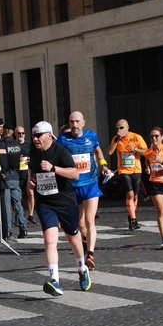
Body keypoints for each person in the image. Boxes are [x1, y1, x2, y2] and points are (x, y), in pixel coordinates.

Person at [27, 121, 91, 295]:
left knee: (73, 238)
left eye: (38, 135)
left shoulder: (60, 151)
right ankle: (55, 280)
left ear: (49, 135)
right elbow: (31, 172)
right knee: (49, 239)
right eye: (33, 135)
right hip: (45, 202)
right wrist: (31, 182)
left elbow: (75, 173)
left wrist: (53, 168)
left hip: (65, 201)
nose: (35, 139)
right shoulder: (33, 153)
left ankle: (82, 268)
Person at [56, 111, 110, 271]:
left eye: (77, 121)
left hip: (91, 184)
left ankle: (91, 255)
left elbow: (98, 151)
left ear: (83, 122)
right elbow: (56, 155)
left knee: (89, 220)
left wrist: (104, 164)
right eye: (72, 121)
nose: (74, 125)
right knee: (80, 224)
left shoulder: (91, 136)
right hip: (73, 187)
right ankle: (86, 243)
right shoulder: (63, 139)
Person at [108, 119, 147, 230]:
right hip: (124, 171)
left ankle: (131, 215)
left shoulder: (136, 137)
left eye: (121, 128)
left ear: (127, 127)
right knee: (129, 194)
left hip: (136, 170)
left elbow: (147, 152)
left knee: (134, 195)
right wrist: (117, 140)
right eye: (117, 128)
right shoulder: (116, 139)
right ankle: (134, 221)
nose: (119, 130)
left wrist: (135, 149)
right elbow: (110, 152)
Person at [2, 125, 28, 238]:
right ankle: (24, 229)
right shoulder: (17, 146)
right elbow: (22, 165)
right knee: (18, 205)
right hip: (16, 177)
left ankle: (8, 231)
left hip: (7, 176)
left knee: (8, 206)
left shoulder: (3, 145)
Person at [15, 125, 36, 224]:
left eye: (22, 133)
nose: (21, 135)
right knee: (17, 197)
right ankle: (18, 216)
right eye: (19, 133)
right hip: (17, 175)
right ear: (15, 134)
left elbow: (33, 157)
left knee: (31, 194)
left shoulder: (29, 146)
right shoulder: (13, 146)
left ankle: (31, 215)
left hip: (27, 173)